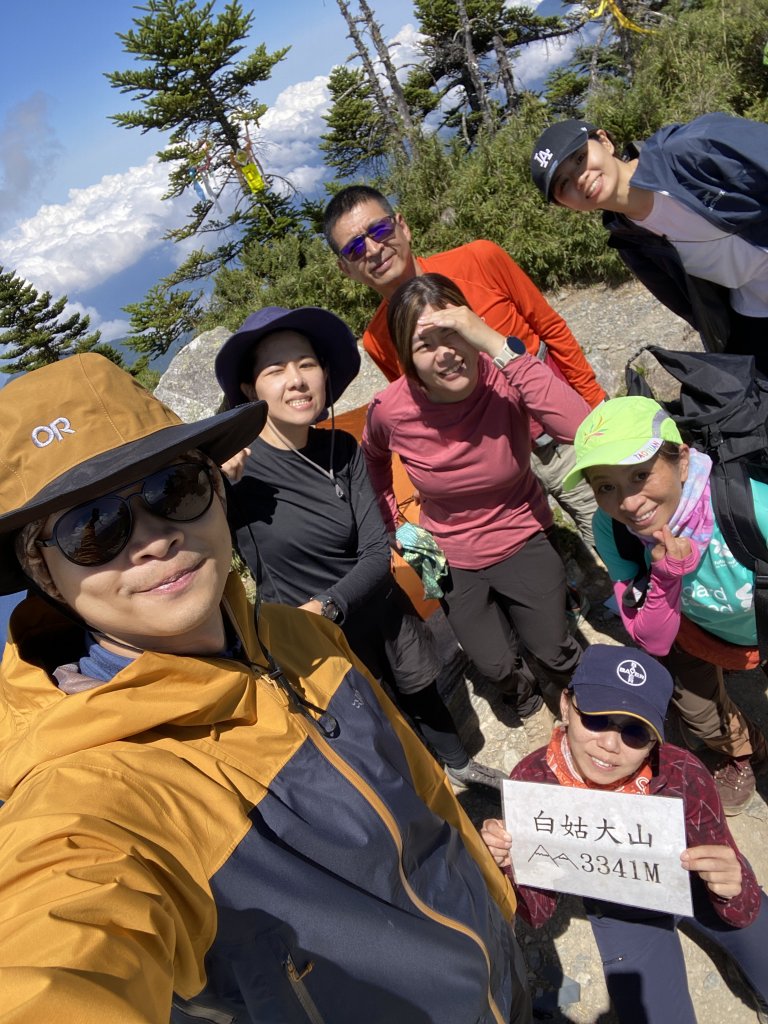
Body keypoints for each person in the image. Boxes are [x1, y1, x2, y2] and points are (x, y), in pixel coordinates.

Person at [0, 352, 533, 1023]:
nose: (154, 541)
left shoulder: (297, 636)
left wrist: (487, 887)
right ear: (43, 573)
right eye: (92, 530)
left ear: (217, 491)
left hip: (502, 963)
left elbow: (419, 787)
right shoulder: (93, 790)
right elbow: (53, 955)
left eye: (174, 488)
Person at [214, 305, 503, 790]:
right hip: (308, 637)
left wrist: (328, 604)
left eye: (306, 364)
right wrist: (214, 488)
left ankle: (461, 768)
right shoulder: (235, 474)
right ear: (250, 390)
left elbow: (375, 548)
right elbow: (201, 559)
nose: (297, 380)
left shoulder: (341, 451)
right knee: (366, 729)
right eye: (275, 370)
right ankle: (419, 798)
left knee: (421, 691)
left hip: (373, 607)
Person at [481, 643, 768, 1024]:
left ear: (656, 741)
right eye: (596, 719)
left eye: (635, 732)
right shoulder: (533, 781)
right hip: (622, 909)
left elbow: (738, 892)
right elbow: (538, 910)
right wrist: (505, 867)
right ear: (566, 706)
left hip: (696, 885)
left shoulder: (684, 774)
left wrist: (732, 887)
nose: (610, 745)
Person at [362, 272, 589, 749]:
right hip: (441, 549)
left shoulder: (504, 379)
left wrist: (497, 345)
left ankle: (570, 687)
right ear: (408, 359)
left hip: (520, 531)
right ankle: (521, 693)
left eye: (455, 332)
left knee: (554, 650)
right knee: (495, 665)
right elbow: (374, 463)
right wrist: (397, 527)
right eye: (426, 344)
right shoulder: (390, 409)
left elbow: (580, 428)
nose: (445, 352)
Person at [323, 183, 605, 551]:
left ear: (402, 226)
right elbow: (424, 408)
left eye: (379, 230)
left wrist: (597, 404)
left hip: (559, 437)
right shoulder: (380, 337)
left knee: (613, 535)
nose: (374, 249)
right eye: (355, 248)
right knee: (542, 560)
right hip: (492, 464)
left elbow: (550, 328)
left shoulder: (479, 260)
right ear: (346, 269)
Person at [560, 395, 767, 814]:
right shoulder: (612, 529)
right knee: (702, 719)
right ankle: (748, 752)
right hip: (690, 629)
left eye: (640, 474)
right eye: (606, 487)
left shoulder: (750, 502)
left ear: (683, 462)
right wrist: (667, 574)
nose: (629, 503)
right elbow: (652, 639)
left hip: (760, 620)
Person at [530, 114, 768, 372]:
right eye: (563, 183)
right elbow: (696, 310)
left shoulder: (690, 148)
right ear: (566, 205)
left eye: (579, 159)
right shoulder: (631, 242)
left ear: (604, 141)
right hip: (754, 311)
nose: (579, 178)